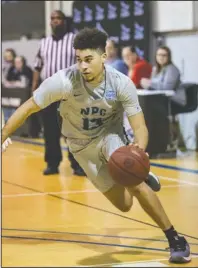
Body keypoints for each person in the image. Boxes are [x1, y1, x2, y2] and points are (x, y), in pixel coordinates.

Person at [2, 28, 191, 264]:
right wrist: (2, 135)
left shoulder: (121, 83)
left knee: (135, 184)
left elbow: (140, 126)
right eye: (79, 60)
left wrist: (138, 151)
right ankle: (138, 174)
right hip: (81, 147)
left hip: (110, 136)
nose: (82, 66)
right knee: (124, 205)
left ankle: (174, 238)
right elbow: (28, 107)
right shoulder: (64, 81)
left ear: (103, 56)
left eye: (88, 59)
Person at [32, 10, 85, 176]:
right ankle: (52, 164)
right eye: (52, 19)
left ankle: (77, 164)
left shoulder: (74, 40)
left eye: (58, 18)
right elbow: (37, 66)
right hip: (49, 92)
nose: (55, 21)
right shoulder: (44, 42)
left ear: (64, 21)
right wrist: (34, 87)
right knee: (50, 130)